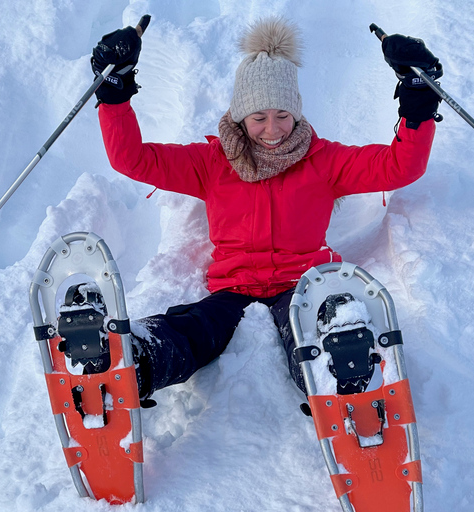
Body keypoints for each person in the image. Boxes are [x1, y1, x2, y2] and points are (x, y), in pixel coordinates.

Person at [90, 17, 442, 402]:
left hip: (302, 285)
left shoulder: (323, 161)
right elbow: (133, 159)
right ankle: (134, 357)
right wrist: (115, 96)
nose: (272, 130)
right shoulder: (212, 162)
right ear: (241, 118)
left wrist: (418, 104)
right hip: (233, 289)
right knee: (194, 329)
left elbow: (400, 166)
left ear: (296, 114)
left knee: (311, 332)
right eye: (259, 118)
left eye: (283, 116)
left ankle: (344, 366)